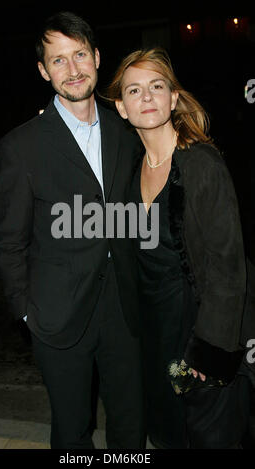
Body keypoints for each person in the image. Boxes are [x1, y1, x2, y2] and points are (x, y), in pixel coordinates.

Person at [0, 11, 144, 449]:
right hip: (57, 315)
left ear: (96, 57)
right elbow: (8, 243)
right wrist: (26, 313)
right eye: (58, 60)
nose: (72, 69)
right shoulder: (20, 147)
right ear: (43, 71)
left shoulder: (126, 129)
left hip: (124, 309)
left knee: (130, 426)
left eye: (79, 54)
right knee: (73, 429)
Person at [106, 47, 250, 449]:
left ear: (173, 97)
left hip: (200, 333)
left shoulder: (202, 164)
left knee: (208, 436)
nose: (146, 98)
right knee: (167, 435)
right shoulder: (131, 172)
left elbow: (228, 266)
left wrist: (210, 350)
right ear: (121, 108)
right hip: (154, 337)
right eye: (134, 91)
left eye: (156, 86)